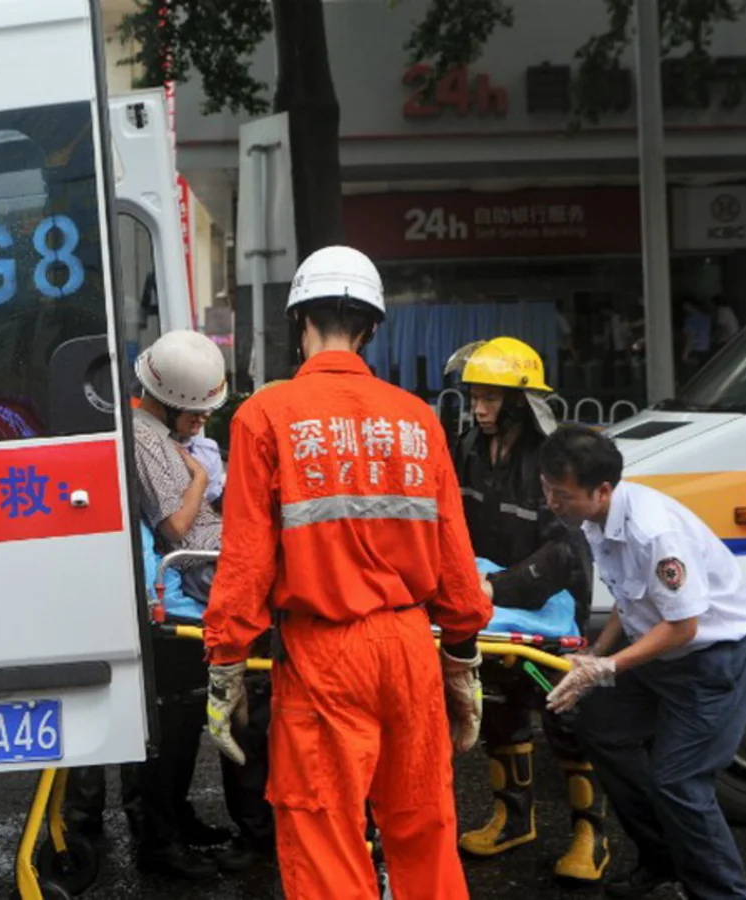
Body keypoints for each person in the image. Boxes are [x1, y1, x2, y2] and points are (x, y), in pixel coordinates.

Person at [201, 245, 493, 900]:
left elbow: (246, 559)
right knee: (424, 825)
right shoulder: (418, 420)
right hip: (410, 650)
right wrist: (463, 663)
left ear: (298, 319)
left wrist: (225, 668)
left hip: (323, 653)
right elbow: (455, 559)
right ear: (371, 327)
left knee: (323, 830)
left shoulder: (265, 417)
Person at [541, 425, 746, 900]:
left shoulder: (652, 530)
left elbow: (684, 624)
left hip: (716, 654)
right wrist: (595, 655)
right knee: (602, 729)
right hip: (660, 648)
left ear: (602, 489)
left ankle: (723, 893)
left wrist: (610, 668)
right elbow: (630, 600)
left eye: (561, 494)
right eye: (547, 490)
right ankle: (665, 855)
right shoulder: (595, 518)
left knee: (680, 780)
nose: (552, 503)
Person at [445, 338, 609, 885]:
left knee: (565, 714)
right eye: (474, 397)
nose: (479, 408)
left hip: (547, 611)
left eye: (490, 398)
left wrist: (499, 586)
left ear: (519, 401)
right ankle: (513, 820)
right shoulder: (469, 446)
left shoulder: (554, 456)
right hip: (492, 609)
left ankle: (592, 835)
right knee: (497, 708)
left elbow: (566, 547)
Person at [128, 329, 273, 879]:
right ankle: (162, 843)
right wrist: (201, 477)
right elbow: (176, 527)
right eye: (200, 415)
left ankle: (174, 826)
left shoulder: (163, 433)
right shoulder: (146, 442)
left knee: (186, 722)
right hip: (204, 565)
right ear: (173, 402)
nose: (204, 423)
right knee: (193, 719)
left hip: (217, 554)